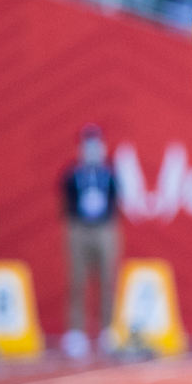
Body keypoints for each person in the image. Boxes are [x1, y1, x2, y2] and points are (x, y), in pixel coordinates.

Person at [60, 123, 120, 358]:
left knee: (107, 279)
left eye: (96, 144)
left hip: (105, 228)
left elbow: (117, 198)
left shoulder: (109, 173)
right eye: (88, 144)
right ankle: (76, 332)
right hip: (79, 228)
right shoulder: (72, 173)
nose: (92, 149)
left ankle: (107, 329)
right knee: (77, 279)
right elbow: (66, 200)